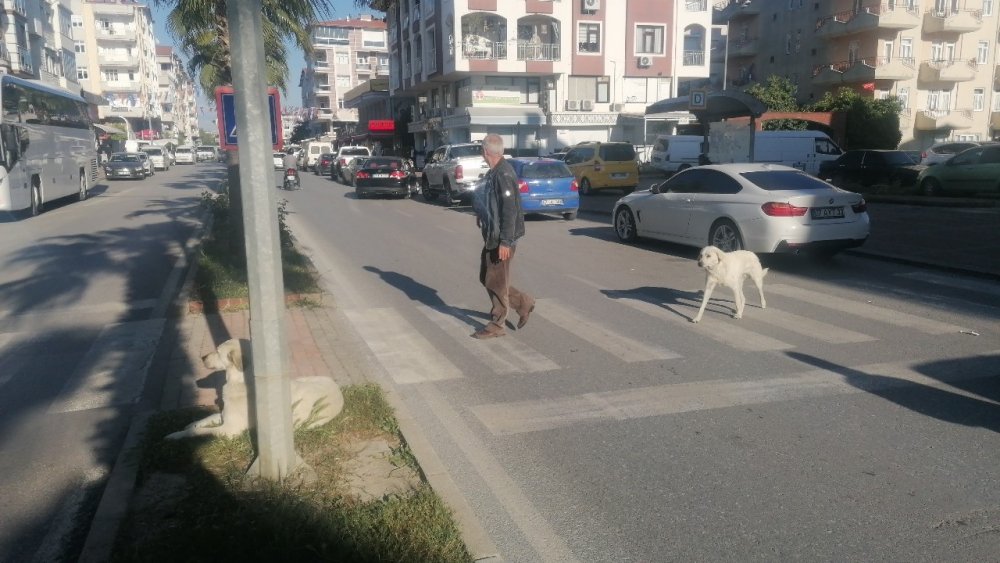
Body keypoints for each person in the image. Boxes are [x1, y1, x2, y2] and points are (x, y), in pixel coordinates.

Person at [472, 134, 535, 339]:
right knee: (487, 276)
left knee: (496, 281)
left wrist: (506, 242)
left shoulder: (503, 174)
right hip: (494, 234)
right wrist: (482, 215)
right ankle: (523, 303)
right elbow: (493, 203)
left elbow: (509, 211)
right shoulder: (495, 172)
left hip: (502, 238)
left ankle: (497, 324)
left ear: (485, 152)